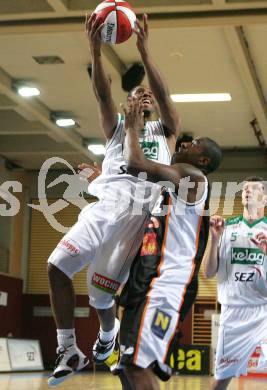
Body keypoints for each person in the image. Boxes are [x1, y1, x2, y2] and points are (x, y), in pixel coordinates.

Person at [47, 13, 180, 386]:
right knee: (56, 266)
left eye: (146, 93)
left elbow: (165, 95)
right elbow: (102, 92)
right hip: (102, 209)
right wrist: (94, 47)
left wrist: (144, 50)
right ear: (126, 105)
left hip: (134, 220)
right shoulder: (116, 129)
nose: (141, 95)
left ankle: (107, 336)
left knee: (101, 299)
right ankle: (68, 347)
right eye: (134, 93)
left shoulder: (165, 132)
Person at [114, 98, 222, 390]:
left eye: (195, 143)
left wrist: (133, 128)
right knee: (128, 367)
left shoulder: (193, 177)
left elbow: (136, 163)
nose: (186, 142)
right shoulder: (169, 188)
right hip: (148, 280)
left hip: (166, 284)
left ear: (203, 161)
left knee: (136, 366)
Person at [203, 177, 267, 390]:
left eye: (254, 189)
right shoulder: (225, 228)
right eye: (245, 189)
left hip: (265, 311)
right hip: (234, 313)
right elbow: (208, 272)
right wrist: (213, 240)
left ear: (264, 199)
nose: (247, 191)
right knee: (222, 379)